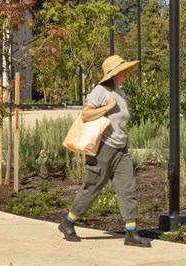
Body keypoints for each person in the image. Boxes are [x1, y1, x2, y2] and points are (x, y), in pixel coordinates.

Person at [58, 54, 151, 248]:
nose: (125, 73)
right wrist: (107, 107)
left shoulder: (121, 92)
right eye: (122, 71)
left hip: (121, 149)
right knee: (93, 187)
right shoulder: (100, 91)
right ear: (113, 74)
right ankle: (68, 222)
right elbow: (85, 114)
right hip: (103, 149)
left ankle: (131, 233)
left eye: (125, 69)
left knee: (127, 189)